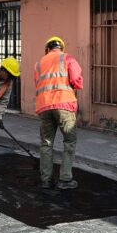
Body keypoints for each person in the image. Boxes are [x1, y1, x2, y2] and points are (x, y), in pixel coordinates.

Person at [34, 36, 83, 190]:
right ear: (61, 48)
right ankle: (65, 179)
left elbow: (38, 84)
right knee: (69, 140)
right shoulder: (67, 58)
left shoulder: (38, 64)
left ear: (47, 49)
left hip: (44, 106)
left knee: (46, 143)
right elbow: (77, 81)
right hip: (64, 105)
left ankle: (46, 180)